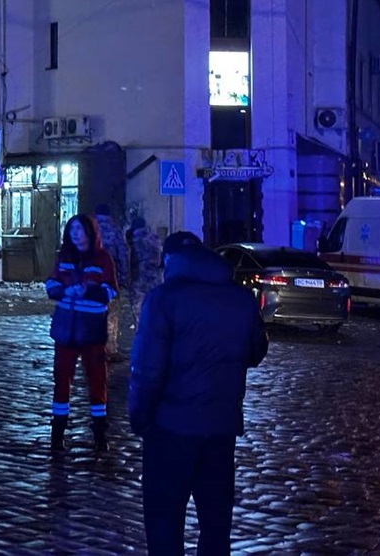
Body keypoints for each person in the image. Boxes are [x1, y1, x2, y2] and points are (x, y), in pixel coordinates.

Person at [129, 230, 269, 554]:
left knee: (164, 523)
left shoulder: (162, 299)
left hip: (170, 428)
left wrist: (140, 418)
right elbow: (256, 352)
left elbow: (147, 370)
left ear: (169, 260)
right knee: (216, 525)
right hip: (221, 428)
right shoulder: (240, 298)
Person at [45, 214, 119, 453]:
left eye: (79, 229)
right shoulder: (64, 257)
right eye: (72, 229)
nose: (75, 234)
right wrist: (66, 291)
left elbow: (110, 291)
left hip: (91, 330)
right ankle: (57, 433)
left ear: (90, 232)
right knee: (61, 381)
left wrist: (88, 291)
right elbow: (51, 284)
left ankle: (99, 434)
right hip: (66, 330)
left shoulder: (103, 259)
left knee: (97, 381)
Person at [94, 204, 130, 360]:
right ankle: (110, 349)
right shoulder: (115, 230)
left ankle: (93, 348)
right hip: (110, 278)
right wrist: (123, 278)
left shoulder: (89, 229)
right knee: (112, 314)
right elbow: (123, 255)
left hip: (91, 279)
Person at [127, 217, 163, 331]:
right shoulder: (155, 239)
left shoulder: (133, 241)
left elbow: (129, 262)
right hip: (155, 282)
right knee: (155, 314)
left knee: (140, 317)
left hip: (138, 282)